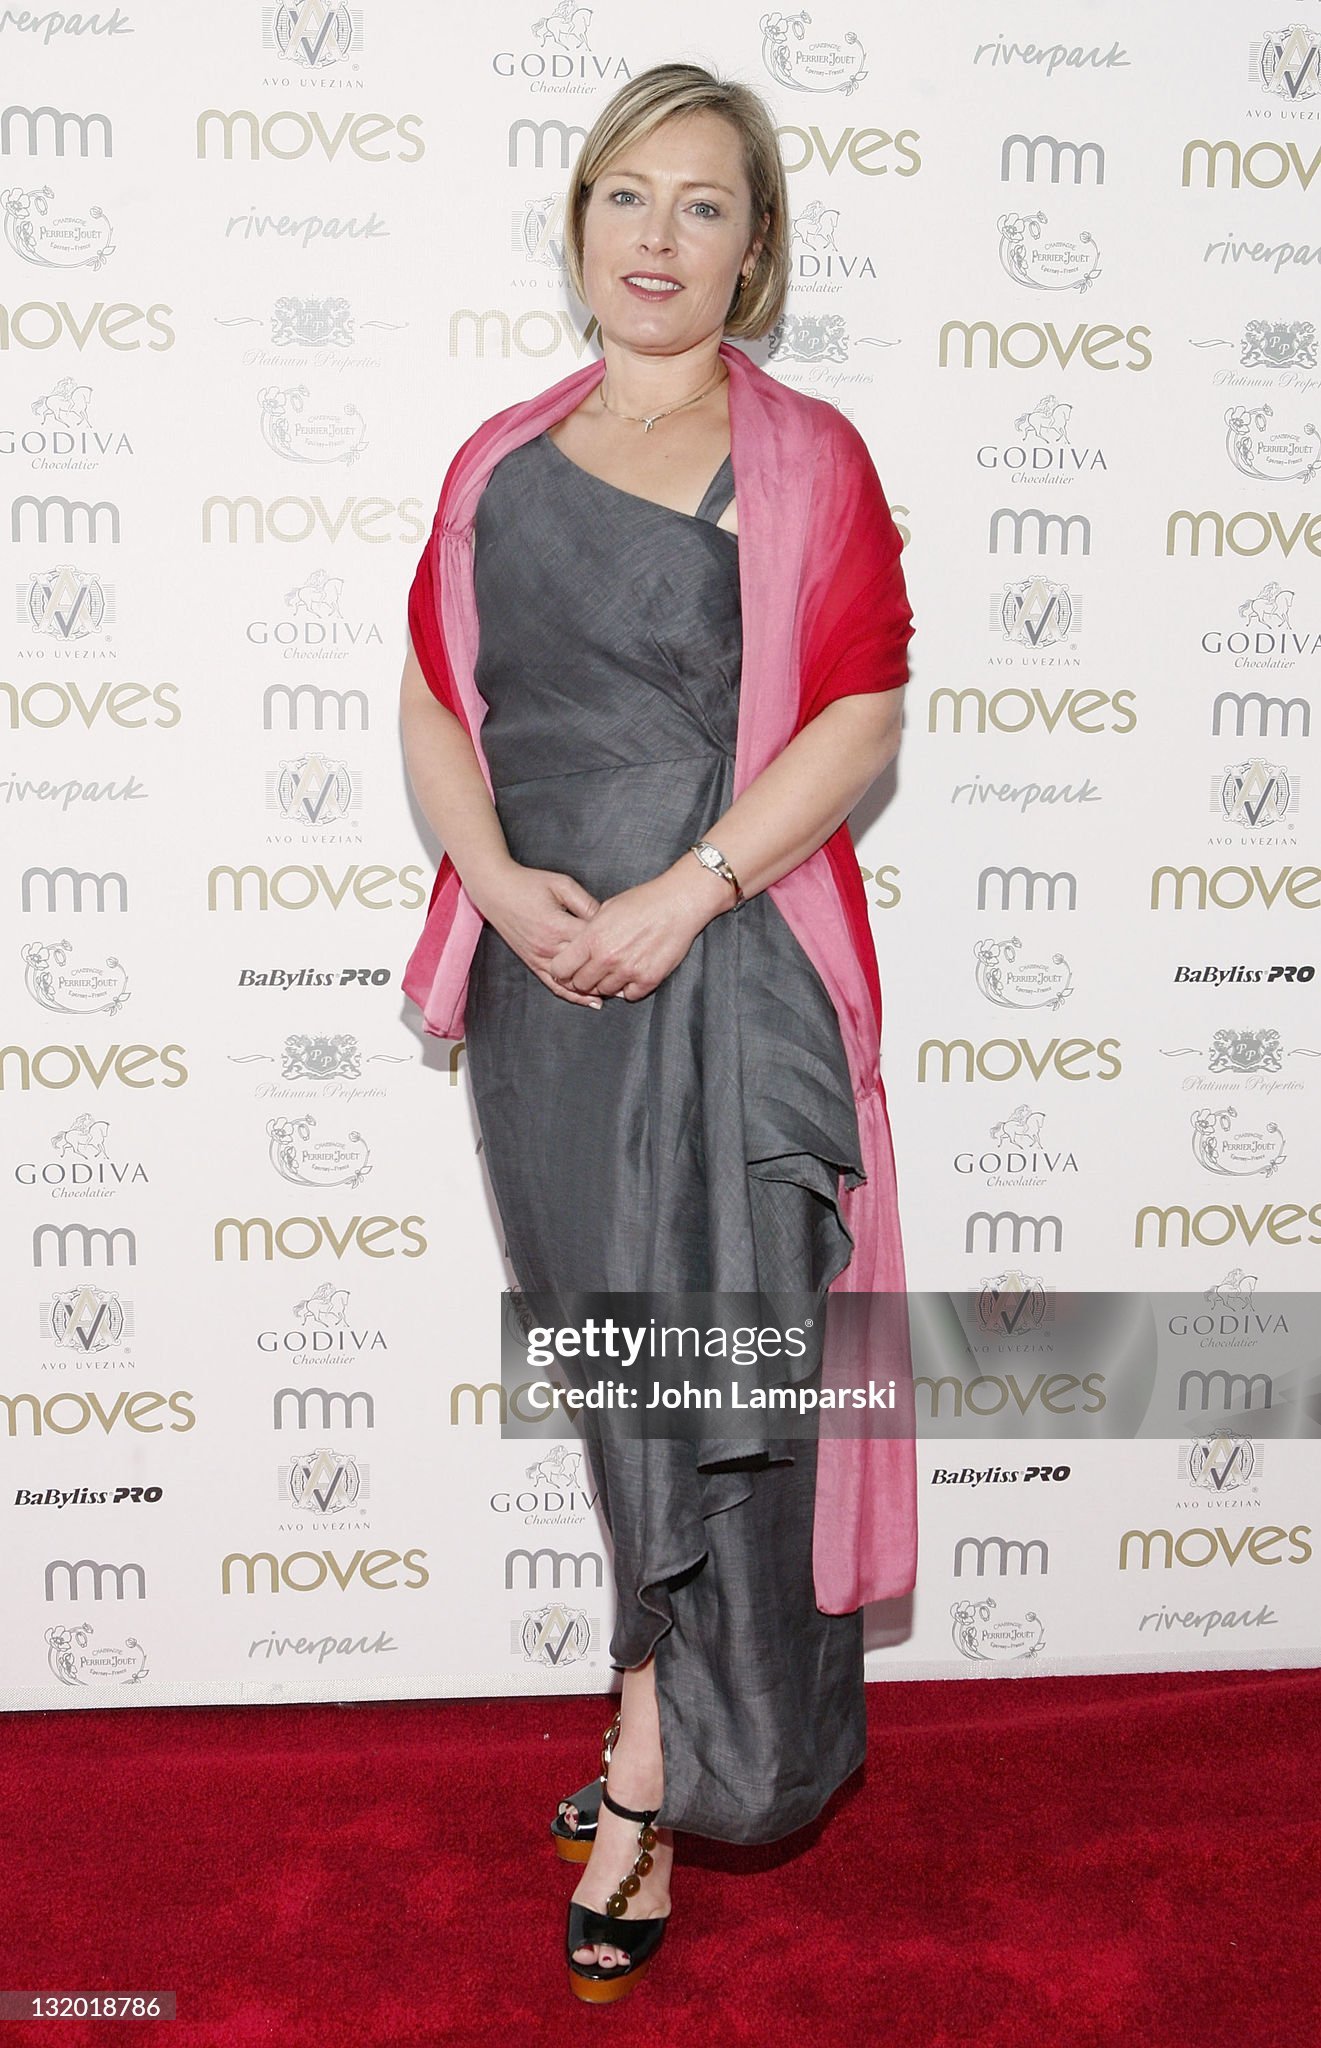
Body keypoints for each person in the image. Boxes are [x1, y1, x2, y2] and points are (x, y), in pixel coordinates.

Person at [398, 62, 915, 2003]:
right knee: (627, 1380)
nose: (658, 235)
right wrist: (495, 878)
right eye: (628, 193)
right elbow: (434, 696)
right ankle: (656, 1710)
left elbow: (855, 716)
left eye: (705, 204)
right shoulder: (498, 458)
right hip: (545, 982)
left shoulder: (807, 459)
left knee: (730, 1375)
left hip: (729, 964)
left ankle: (657, 1776)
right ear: (577, 223)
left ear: (752, 249)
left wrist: (684, 890)